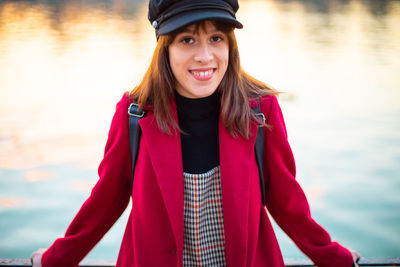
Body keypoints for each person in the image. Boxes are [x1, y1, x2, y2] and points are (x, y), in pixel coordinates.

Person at [31, 0, 361, 266]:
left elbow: (287, 203)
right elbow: (105, 201)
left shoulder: (260, 111)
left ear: (230, 44)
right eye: (187, 40)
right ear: (165, 48)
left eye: (216, 38)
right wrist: (56, 260)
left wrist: (335, 258)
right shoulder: (133, 114)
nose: (205, 56)